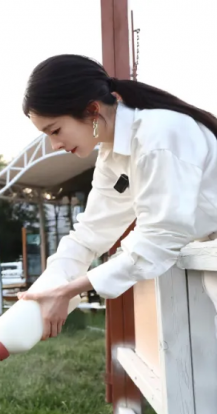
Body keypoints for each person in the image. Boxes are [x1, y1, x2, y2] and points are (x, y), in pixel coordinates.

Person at [17, 54, 217, 340]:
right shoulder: (113, 155)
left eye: (55, 130)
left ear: (92, 110)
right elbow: (89, 234)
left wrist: (70, 290)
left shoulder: (159, 135)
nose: (55, 145)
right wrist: (45, 289)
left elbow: (159, 238)